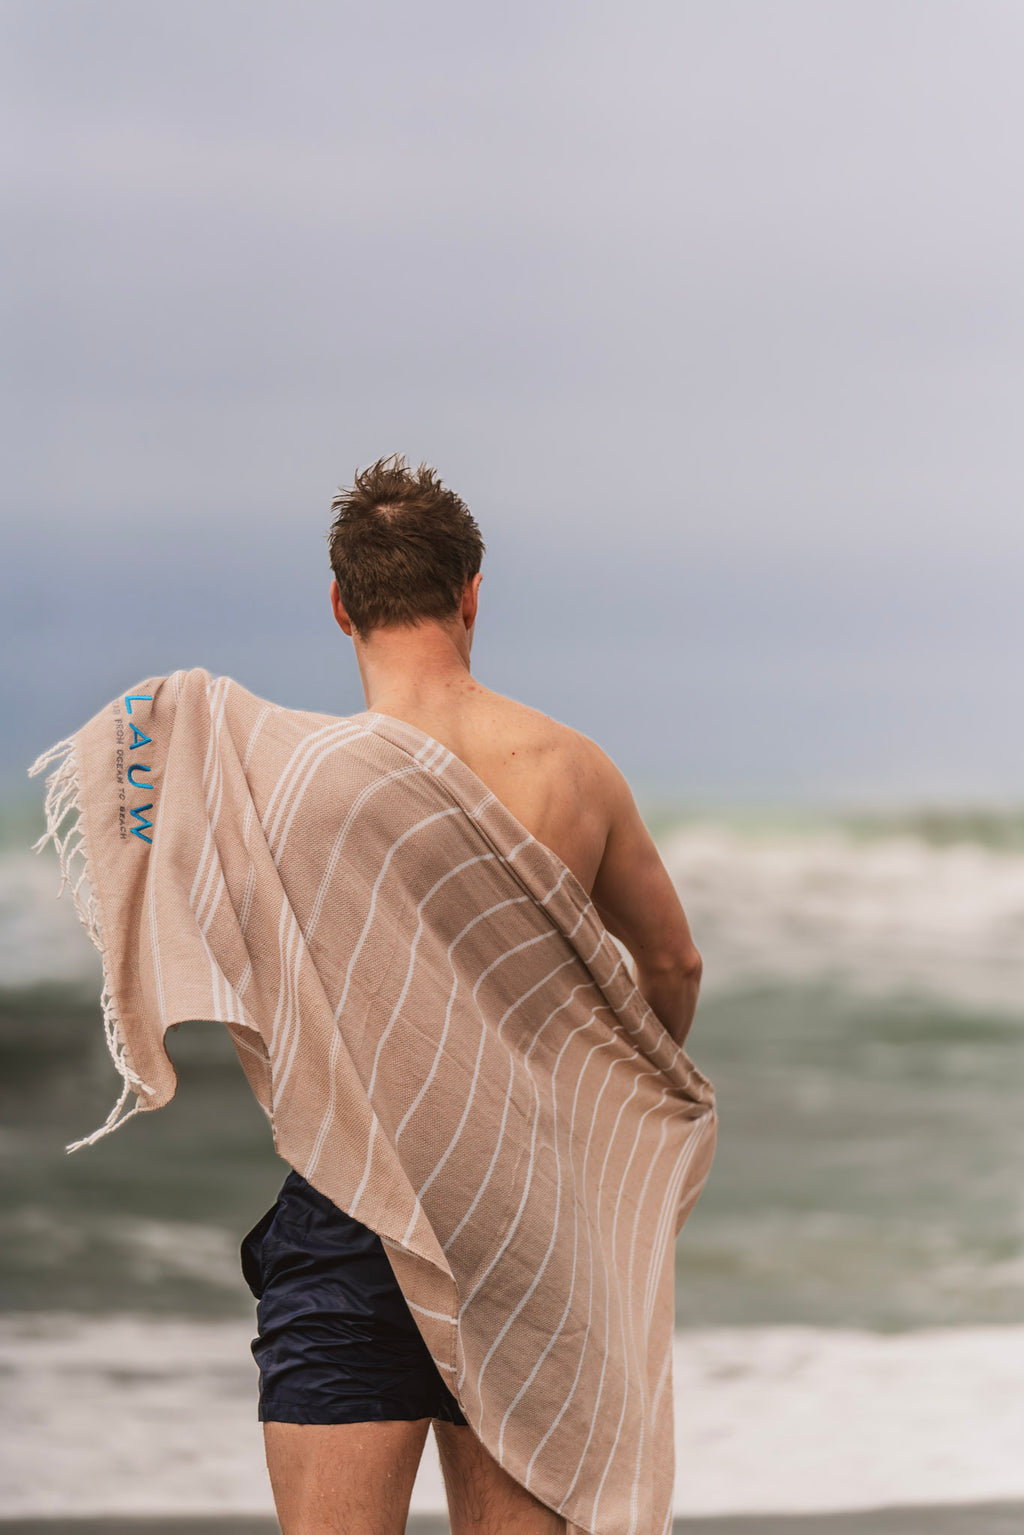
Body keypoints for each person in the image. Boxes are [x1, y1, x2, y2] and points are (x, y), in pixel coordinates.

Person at [241, 452, 704, 1535]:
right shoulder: (570, 767)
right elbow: (673, 965)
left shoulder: (301, 782)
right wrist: (605, 1096)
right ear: (471, 593)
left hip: (357, 1201)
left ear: (340, 604)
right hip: (525, 1215)